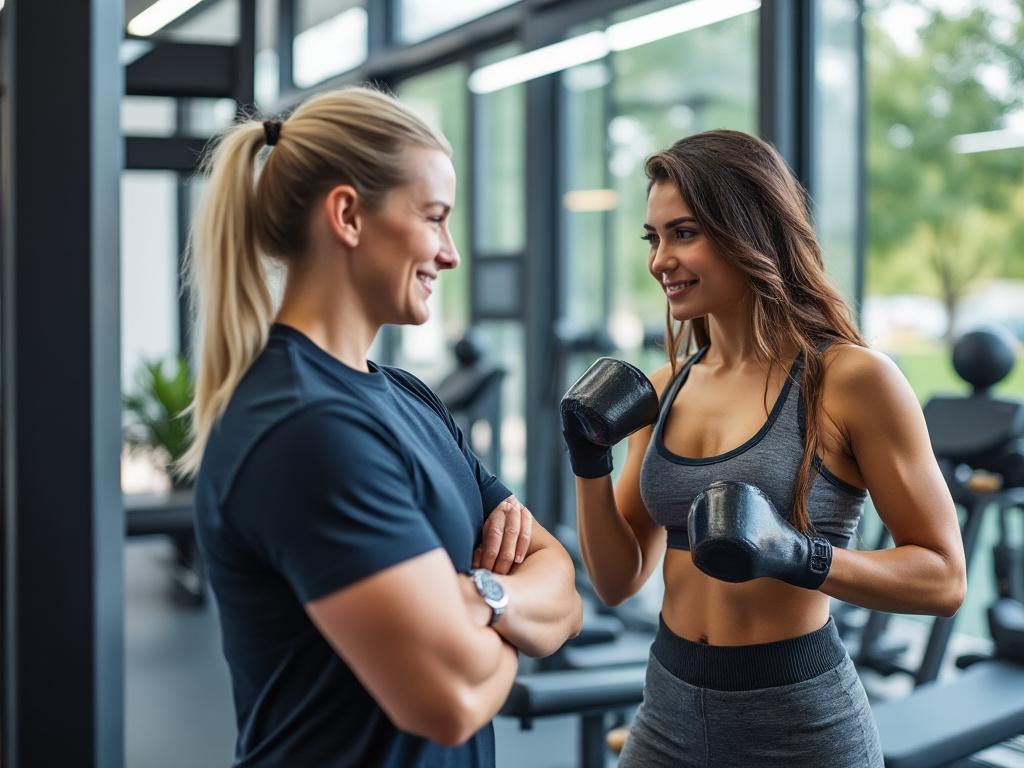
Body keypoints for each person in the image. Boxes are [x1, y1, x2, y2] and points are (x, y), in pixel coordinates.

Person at [180, 86, 582, 768]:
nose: (450, 253)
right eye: (434, 217)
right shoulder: (304, 427)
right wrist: (511, 615)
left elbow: (563, 592)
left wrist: (479, 597)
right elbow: (449, 699)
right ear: (348, 216)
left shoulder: (406, 397)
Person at [560, 129, 967, 767]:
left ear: (751, 230)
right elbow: (617, 581)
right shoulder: (664, 387)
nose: (659, 260)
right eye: (654, 237)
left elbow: (944, 578)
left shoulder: (851, 380)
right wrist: (589, 463)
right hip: (666, 711)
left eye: (684, 232)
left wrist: (794, 553)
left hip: (798, 724)